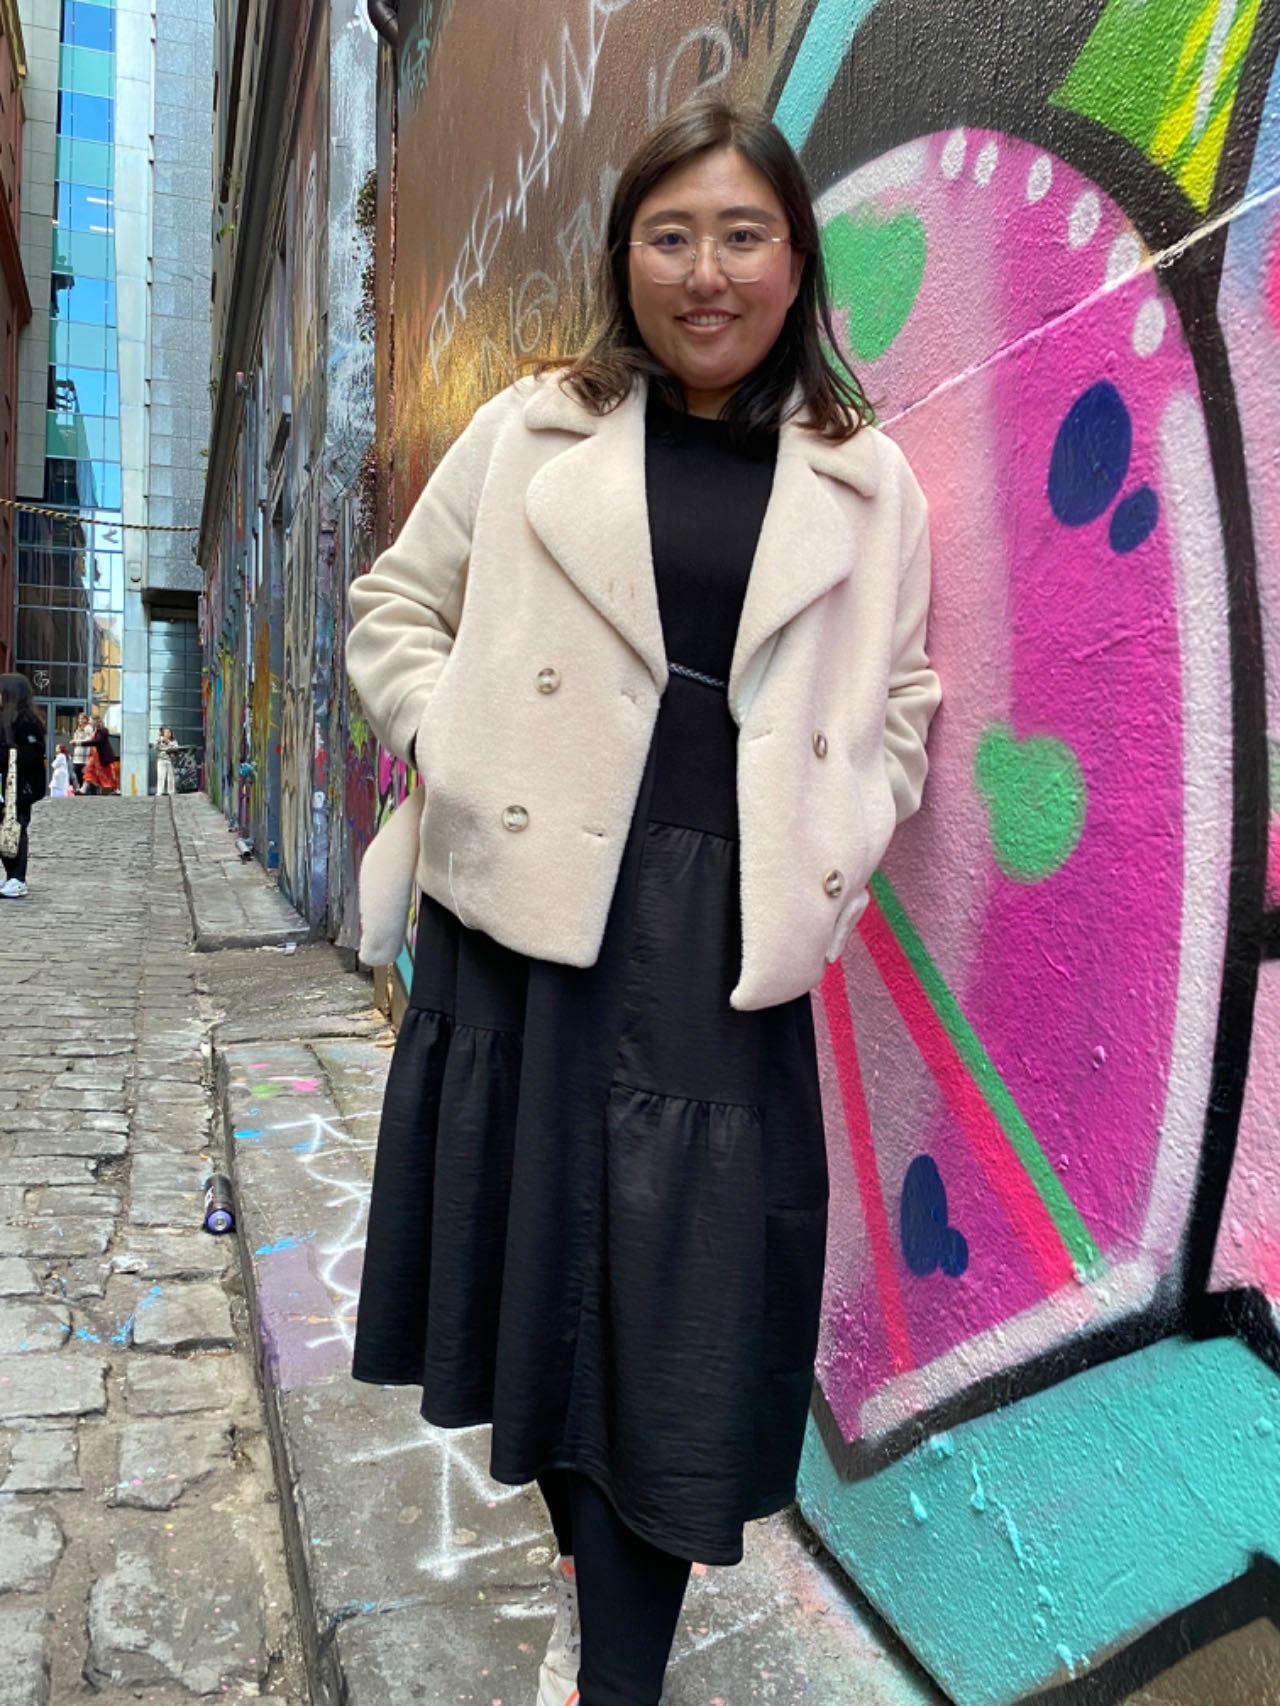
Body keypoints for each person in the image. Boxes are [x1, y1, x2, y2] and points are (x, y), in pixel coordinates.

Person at [345, 100, 940, 1706]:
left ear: (796, 260)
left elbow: (903, 696)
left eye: (742, 234)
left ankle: (616, 1674)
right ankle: (590, 1597)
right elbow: (395, 607)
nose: (705, 271)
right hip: (533, 915)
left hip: (725, 936)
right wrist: (454, 743)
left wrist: (858, 815)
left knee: (680, 1314)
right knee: (541, 1283)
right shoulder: (537, 428)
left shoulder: (868, 481)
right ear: (624, 259)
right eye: (670, 236)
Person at [0, 675, 48, 898]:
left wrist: (7, 754)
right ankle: (11, 876)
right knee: (4, 830)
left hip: (20, 788)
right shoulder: (4, 718)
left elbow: (34, 753)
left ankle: (17, 878)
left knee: (16, 828)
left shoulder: (26, 720)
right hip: (5, 785)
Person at [80, 716, 119, 795]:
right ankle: (83, 789)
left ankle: (115, 789)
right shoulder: (96, 730)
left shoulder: (102, 731)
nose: (89, 722)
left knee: (107, 773)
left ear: (95, 721)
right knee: (89, 771)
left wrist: (80, 743)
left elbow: (97, 741)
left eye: (90, 720)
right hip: (94, 756)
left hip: (101, 757)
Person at [69, 712, 93, 792]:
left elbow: (89, 740)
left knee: (84, 778)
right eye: (79, 718)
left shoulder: (88, 728)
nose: (80, 720)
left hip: (84, 759)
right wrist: (74, 742)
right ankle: (78, 793)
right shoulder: (78, 729)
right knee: (76, 778)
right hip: (77, 758)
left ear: (86, 719)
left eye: (82, 718)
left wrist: (76, 742)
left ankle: (86, 794)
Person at [154, 726, 180, 796]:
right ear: (163, 733)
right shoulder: (160, 740)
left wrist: (168, 742)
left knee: (171, 777)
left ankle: (171, 792)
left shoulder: (174, 741)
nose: (167, 734)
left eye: (169, 732)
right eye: (165, 732)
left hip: (170, 761)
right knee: (160, 776)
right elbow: (155, 748)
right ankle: (159, 791)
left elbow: (176, 748)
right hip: (161, 760)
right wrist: (158, 741)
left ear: (171, 733)